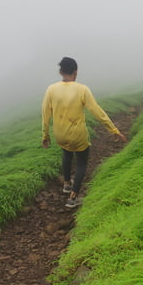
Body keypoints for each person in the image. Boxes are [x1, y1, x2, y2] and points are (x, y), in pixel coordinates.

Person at [41, 57, 127, 208]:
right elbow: (97, 111)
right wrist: (114, 130)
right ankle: (73, 198)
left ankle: (67, 184)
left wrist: (45, 135)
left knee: (66, 153)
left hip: (60, 134)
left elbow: (45, 114)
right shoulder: (82, 89)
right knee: (81, 162)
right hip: (78, 134)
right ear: (75, 72)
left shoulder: (51, 89)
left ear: (61, 72)